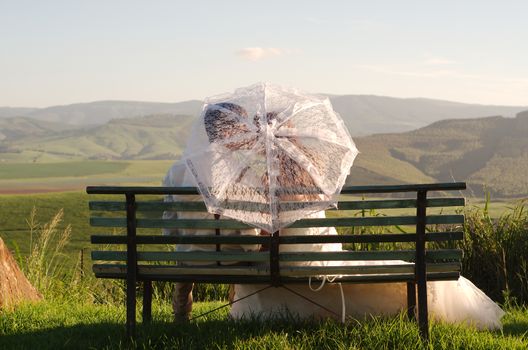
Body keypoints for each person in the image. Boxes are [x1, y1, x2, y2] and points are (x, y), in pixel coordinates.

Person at [228, 113, 505, 331]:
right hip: (318, 263)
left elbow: (261, 241)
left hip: (282, 273)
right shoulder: (308, 177)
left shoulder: (262, 184)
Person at [162, 102, 260, 322]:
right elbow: (248, 228)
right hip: (233, 258)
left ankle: (181, 312)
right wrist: (253, 248)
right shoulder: (242, 171)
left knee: (184, 252)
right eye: (241, 128)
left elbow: (169, 229)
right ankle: (236, 308)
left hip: (190, 258)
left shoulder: (178, 170)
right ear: (229, 131)